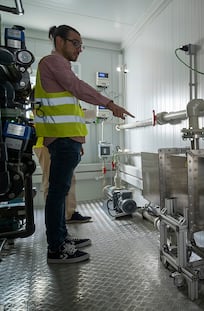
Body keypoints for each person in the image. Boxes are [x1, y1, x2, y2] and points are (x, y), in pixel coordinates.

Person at [34, 25, 134, 264]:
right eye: (75, 43)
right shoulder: (52, 62)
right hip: (62, 139)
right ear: (60, 41)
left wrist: (78, 141)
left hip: (67, 140)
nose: (80, 48)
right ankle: (56, 248)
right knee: (57, 195)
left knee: (60, 192)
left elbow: (71, 107)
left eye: (81, 44)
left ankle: (62, 238)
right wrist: (110, 104)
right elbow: (78, 87)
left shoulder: (58, 67)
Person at [33, 137, 92, 223]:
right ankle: (55, 220)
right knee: (51, 179)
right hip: (48, 142)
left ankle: (68, 214)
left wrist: (76, 142)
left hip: (64, 141)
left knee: (68, 177)